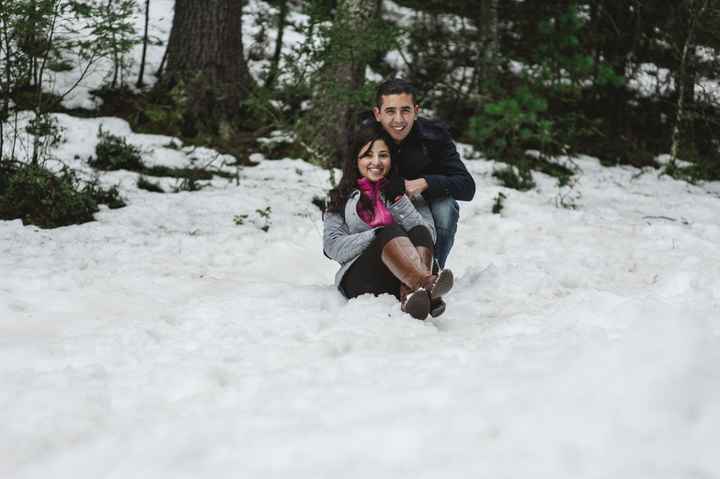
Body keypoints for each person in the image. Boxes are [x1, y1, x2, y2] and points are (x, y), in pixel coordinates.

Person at [323, 122, 454, 320]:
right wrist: (376, 235)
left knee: (419, 229)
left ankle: (411, 295)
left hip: (398, 278)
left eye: (383, 155)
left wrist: (399, 201)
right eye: (368, 155)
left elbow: (428, 235)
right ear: (355, 160)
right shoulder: (340, 197)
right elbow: (333, 247)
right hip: (360, 278)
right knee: (389, 231)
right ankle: (426, 286)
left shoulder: (404, 193)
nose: (376, 162)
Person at [372, 78, 476, 269]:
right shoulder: (367, 137)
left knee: (446, 209)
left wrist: (425, 182)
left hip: (427, 199)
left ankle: (433, 270)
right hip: (386, 201)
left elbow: (467, 186)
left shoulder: (435, 136)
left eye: (405, 110)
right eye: (390, 111)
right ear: (377, 114)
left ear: (416, 111)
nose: (398, 120)